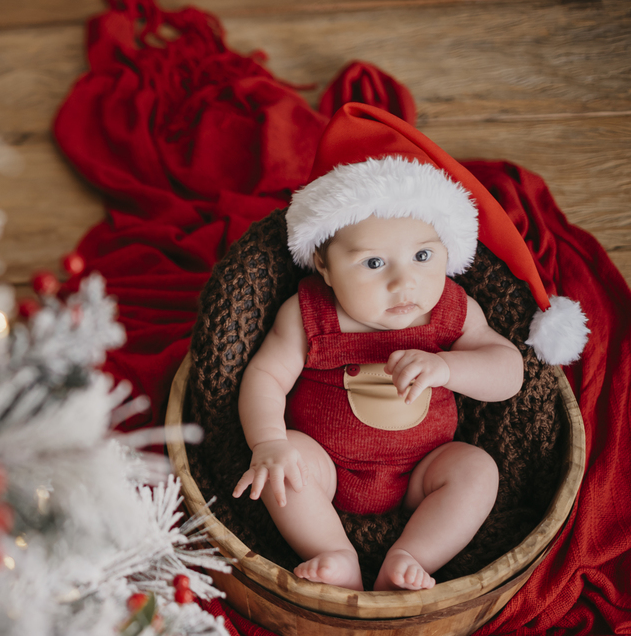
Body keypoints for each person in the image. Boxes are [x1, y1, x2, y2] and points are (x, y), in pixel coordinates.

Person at [230, 103, 589, 592]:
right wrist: (268, 442)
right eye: (373, 263)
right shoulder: (308, 312)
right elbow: (266, 377)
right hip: (326, 467)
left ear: (446, 250)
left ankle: (410, 556)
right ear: (325, 265)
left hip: (422, 470)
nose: (405, 281)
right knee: (288, 466)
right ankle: (333, 553)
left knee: (477, 470)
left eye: (423, 255)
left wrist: (447, 368)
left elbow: (509, 372)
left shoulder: (451, 310)